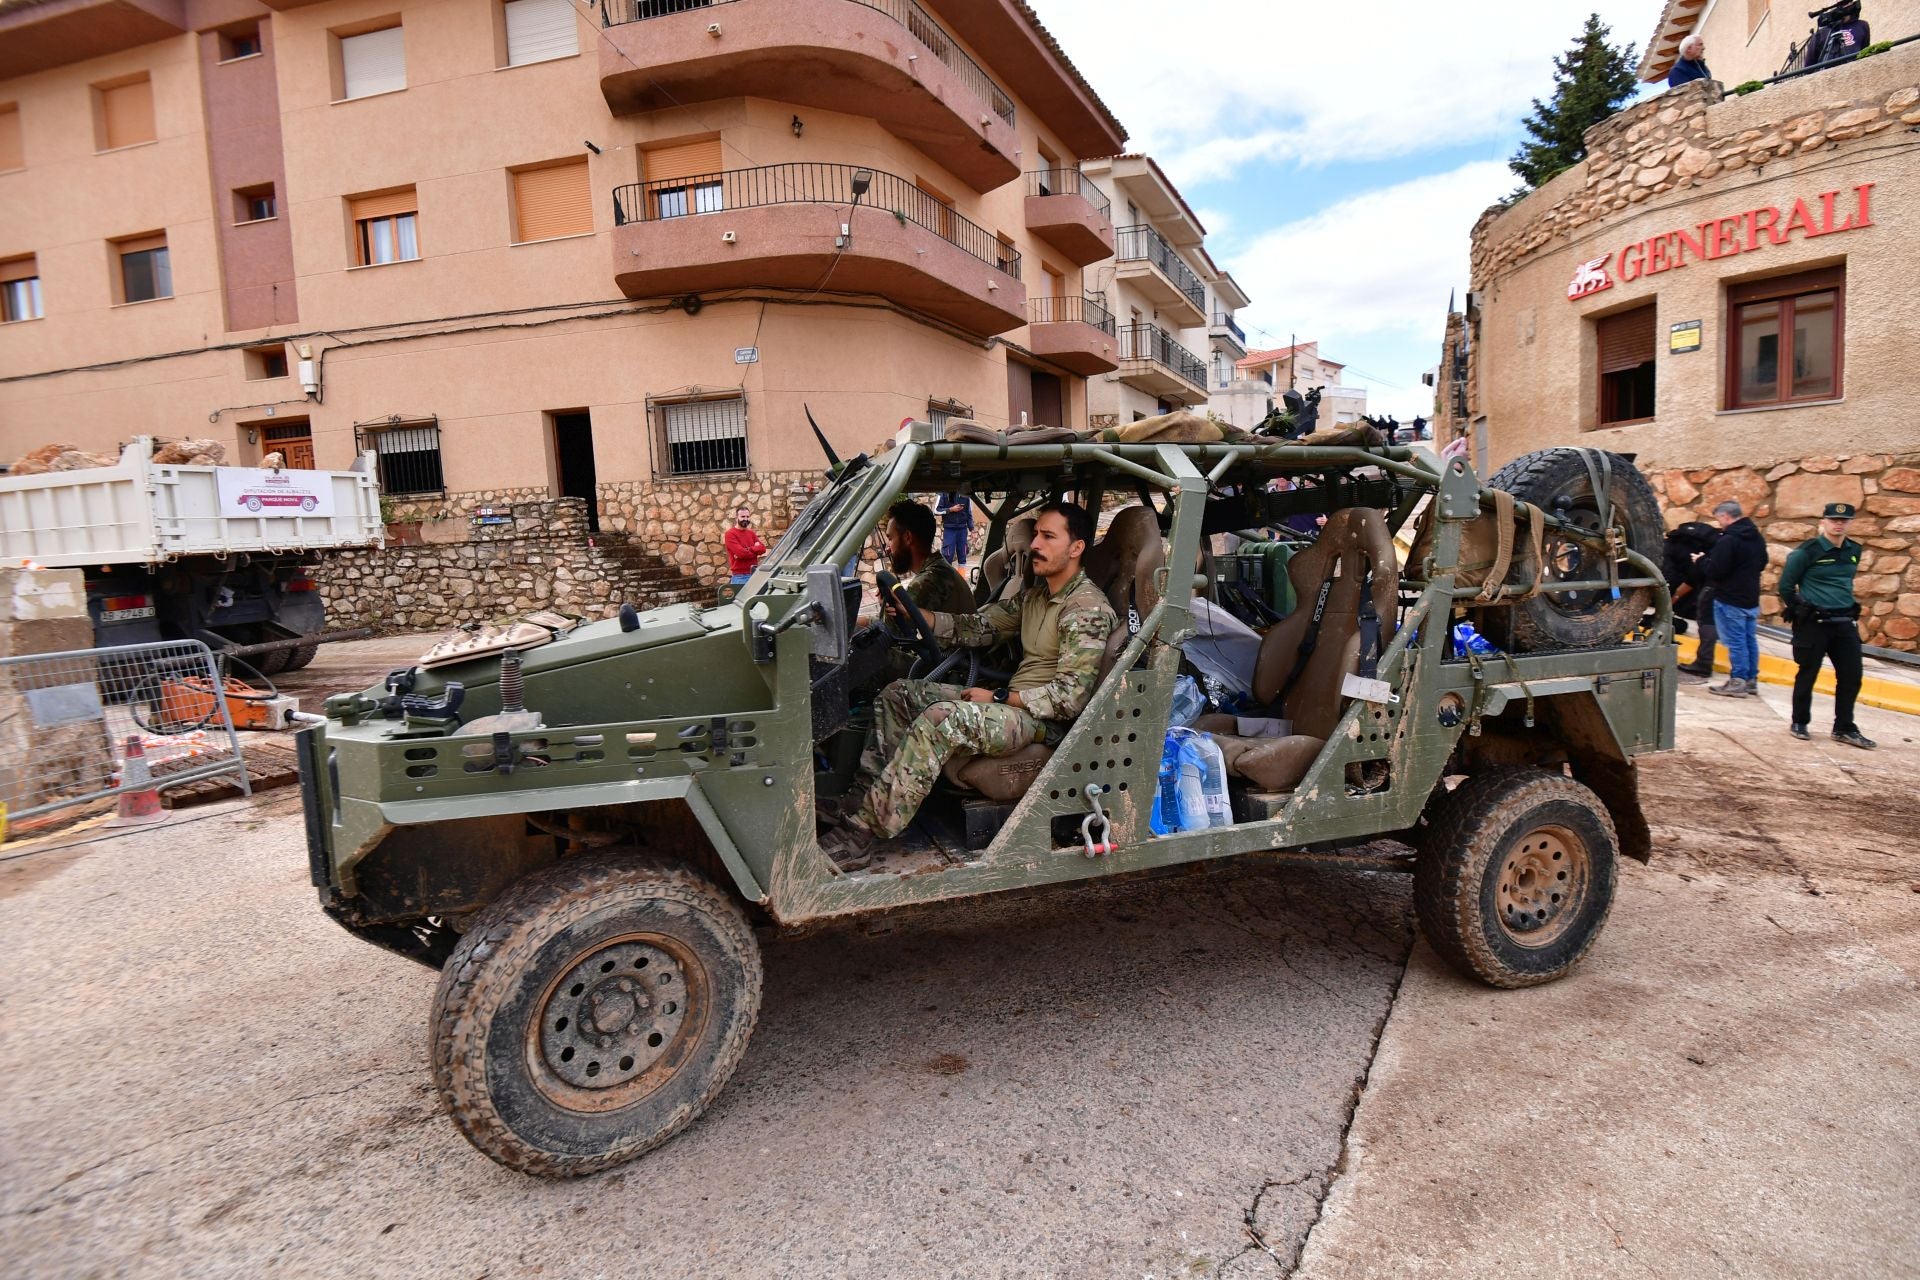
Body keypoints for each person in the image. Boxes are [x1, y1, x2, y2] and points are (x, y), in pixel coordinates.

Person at [821, 502, 1115, 869]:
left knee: (940, 719)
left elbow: (1070, 698)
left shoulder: (1086, 608)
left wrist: (999, 697)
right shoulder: (1036, 597)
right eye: (1036, 534)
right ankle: (858, 801)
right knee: (898, 695)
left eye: (1048, 536)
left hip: (1043, 722)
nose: (1035, 544)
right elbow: (979, 627)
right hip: (1013, 705)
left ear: (1076, 548)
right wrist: (920, 615)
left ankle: (862, 833)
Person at [1779, 502, 1876, 749]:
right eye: (1833, 519)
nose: (1838, 524)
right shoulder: (1806, 552)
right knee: (1808, 673)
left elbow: (1845, 582)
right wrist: (1801, 609)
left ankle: (1844, 727)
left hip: (1844, 622)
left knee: (1852, 676)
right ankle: (1799, 722)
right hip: (1814, 623)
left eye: (1844, 520)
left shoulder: (1854, 549)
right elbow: (1786, 587)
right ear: (1823, 521)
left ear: (1851, 523)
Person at [1704, 500, 1766, 697]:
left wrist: (1701, 561)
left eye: (1719, 519)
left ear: (1725, 516)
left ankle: (1738, 680)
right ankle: (1750, 680)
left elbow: (1716, 570)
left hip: (1730, 599)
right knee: (1749, 639)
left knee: (1736, 641)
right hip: (1750, 597)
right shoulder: (1756, 536)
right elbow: (1763, 562)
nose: (1719, 523)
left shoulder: (1729, 539)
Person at [881, 498, 974, 617]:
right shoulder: (939, 568)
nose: (887, 549)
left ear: (908, 538)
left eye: (890, 539)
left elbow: (891, 631)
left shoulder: (928, 581)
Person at [1664, 521, 1722, 678]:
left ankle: (1703, 665)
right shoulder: (1723, 542)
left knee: (1707, 625)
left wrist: (1673, 598)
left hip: (1711, 588)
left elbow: (1692, 577)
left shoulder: (1672, 547)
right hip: (1728, 590)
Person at [723, 507, 767, 585]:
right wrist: (755, 550)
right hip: (740, 577)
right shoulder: (730, 534)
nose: (746, 519)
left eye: (747, 516)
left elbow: (763, 549)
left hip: (754, 574)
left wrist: (747, 549)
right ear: (736, 518)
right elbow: (742, 554)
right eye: (742, 517)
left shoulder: (751, 533)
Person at [937, 491, 972, 567]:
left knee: (963, 556)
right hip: (949, 530)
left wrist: (972, 529)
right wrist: (950, 509)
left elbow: (969, 513)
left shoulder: (964, 493)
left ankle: (961, 578)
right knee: (947, 556)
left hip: (962, 530)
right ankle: (948, 578)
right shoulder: (943, 493)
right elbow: (936, 511)